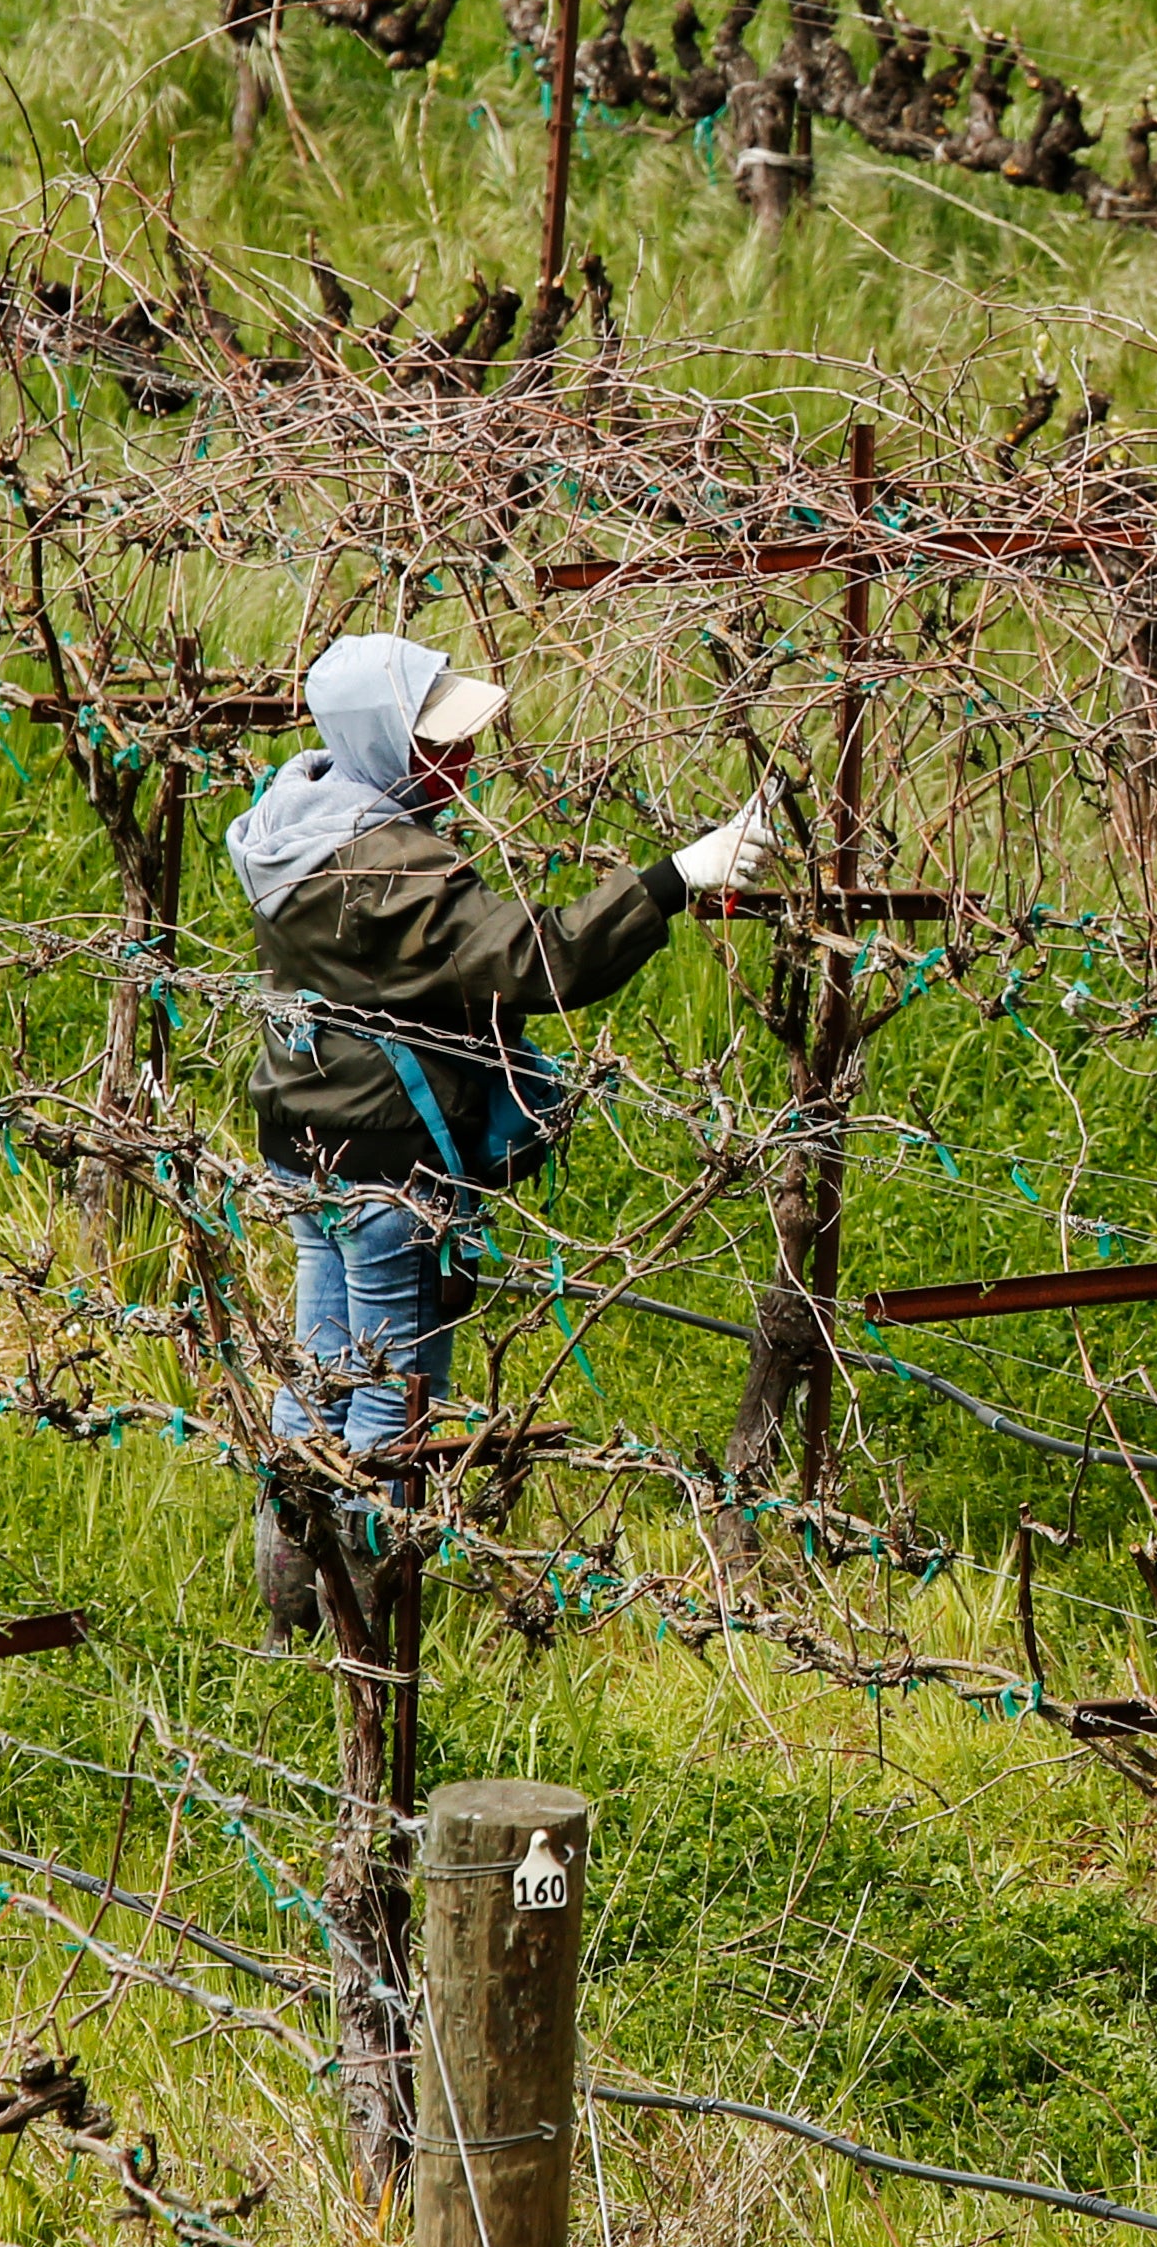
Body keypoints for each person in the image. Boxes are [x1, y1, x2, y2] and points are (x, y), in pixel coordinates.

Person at [225, 632, 776, 1630]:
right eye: (437, 742)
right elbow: (536, 961)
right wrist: (672, 878)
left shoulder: (291, 818)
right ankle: (371, 1616)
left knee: (316, 1372)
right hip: (392, 1160)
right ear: (384, 742)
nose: (463, 760)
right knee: (394, 1392)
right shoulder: (382, 868)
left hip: (302, 1139)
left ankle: (289, 1596)